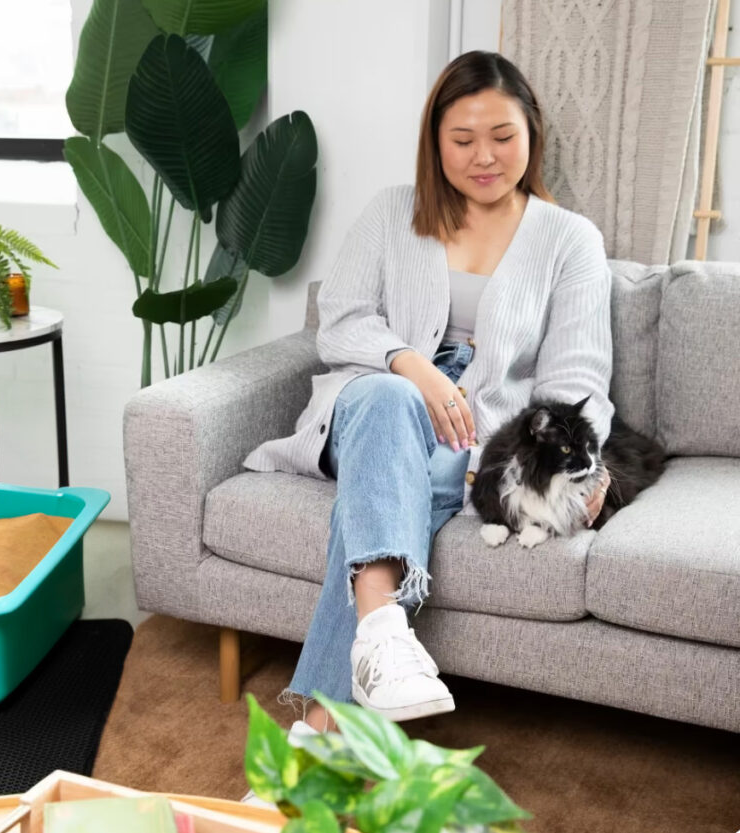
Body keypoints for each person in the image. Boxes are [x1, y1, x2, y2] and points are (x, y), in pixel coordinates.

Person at [242, 50, 615, 736]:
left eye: (503, 137)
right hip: (370, 399)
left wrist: (531, 458)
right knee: (389, 401)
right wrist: (411, 363)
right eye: (463, 139)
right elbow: (344, 317)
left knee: (407, 481)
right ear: (433, 141)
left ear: (532, 135)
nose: (485, 156)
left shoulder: (570, 241)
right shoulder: (392, 213)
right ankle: (372, 662)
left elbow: (577, 380)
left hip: (479, 430)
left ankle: (335, 708)